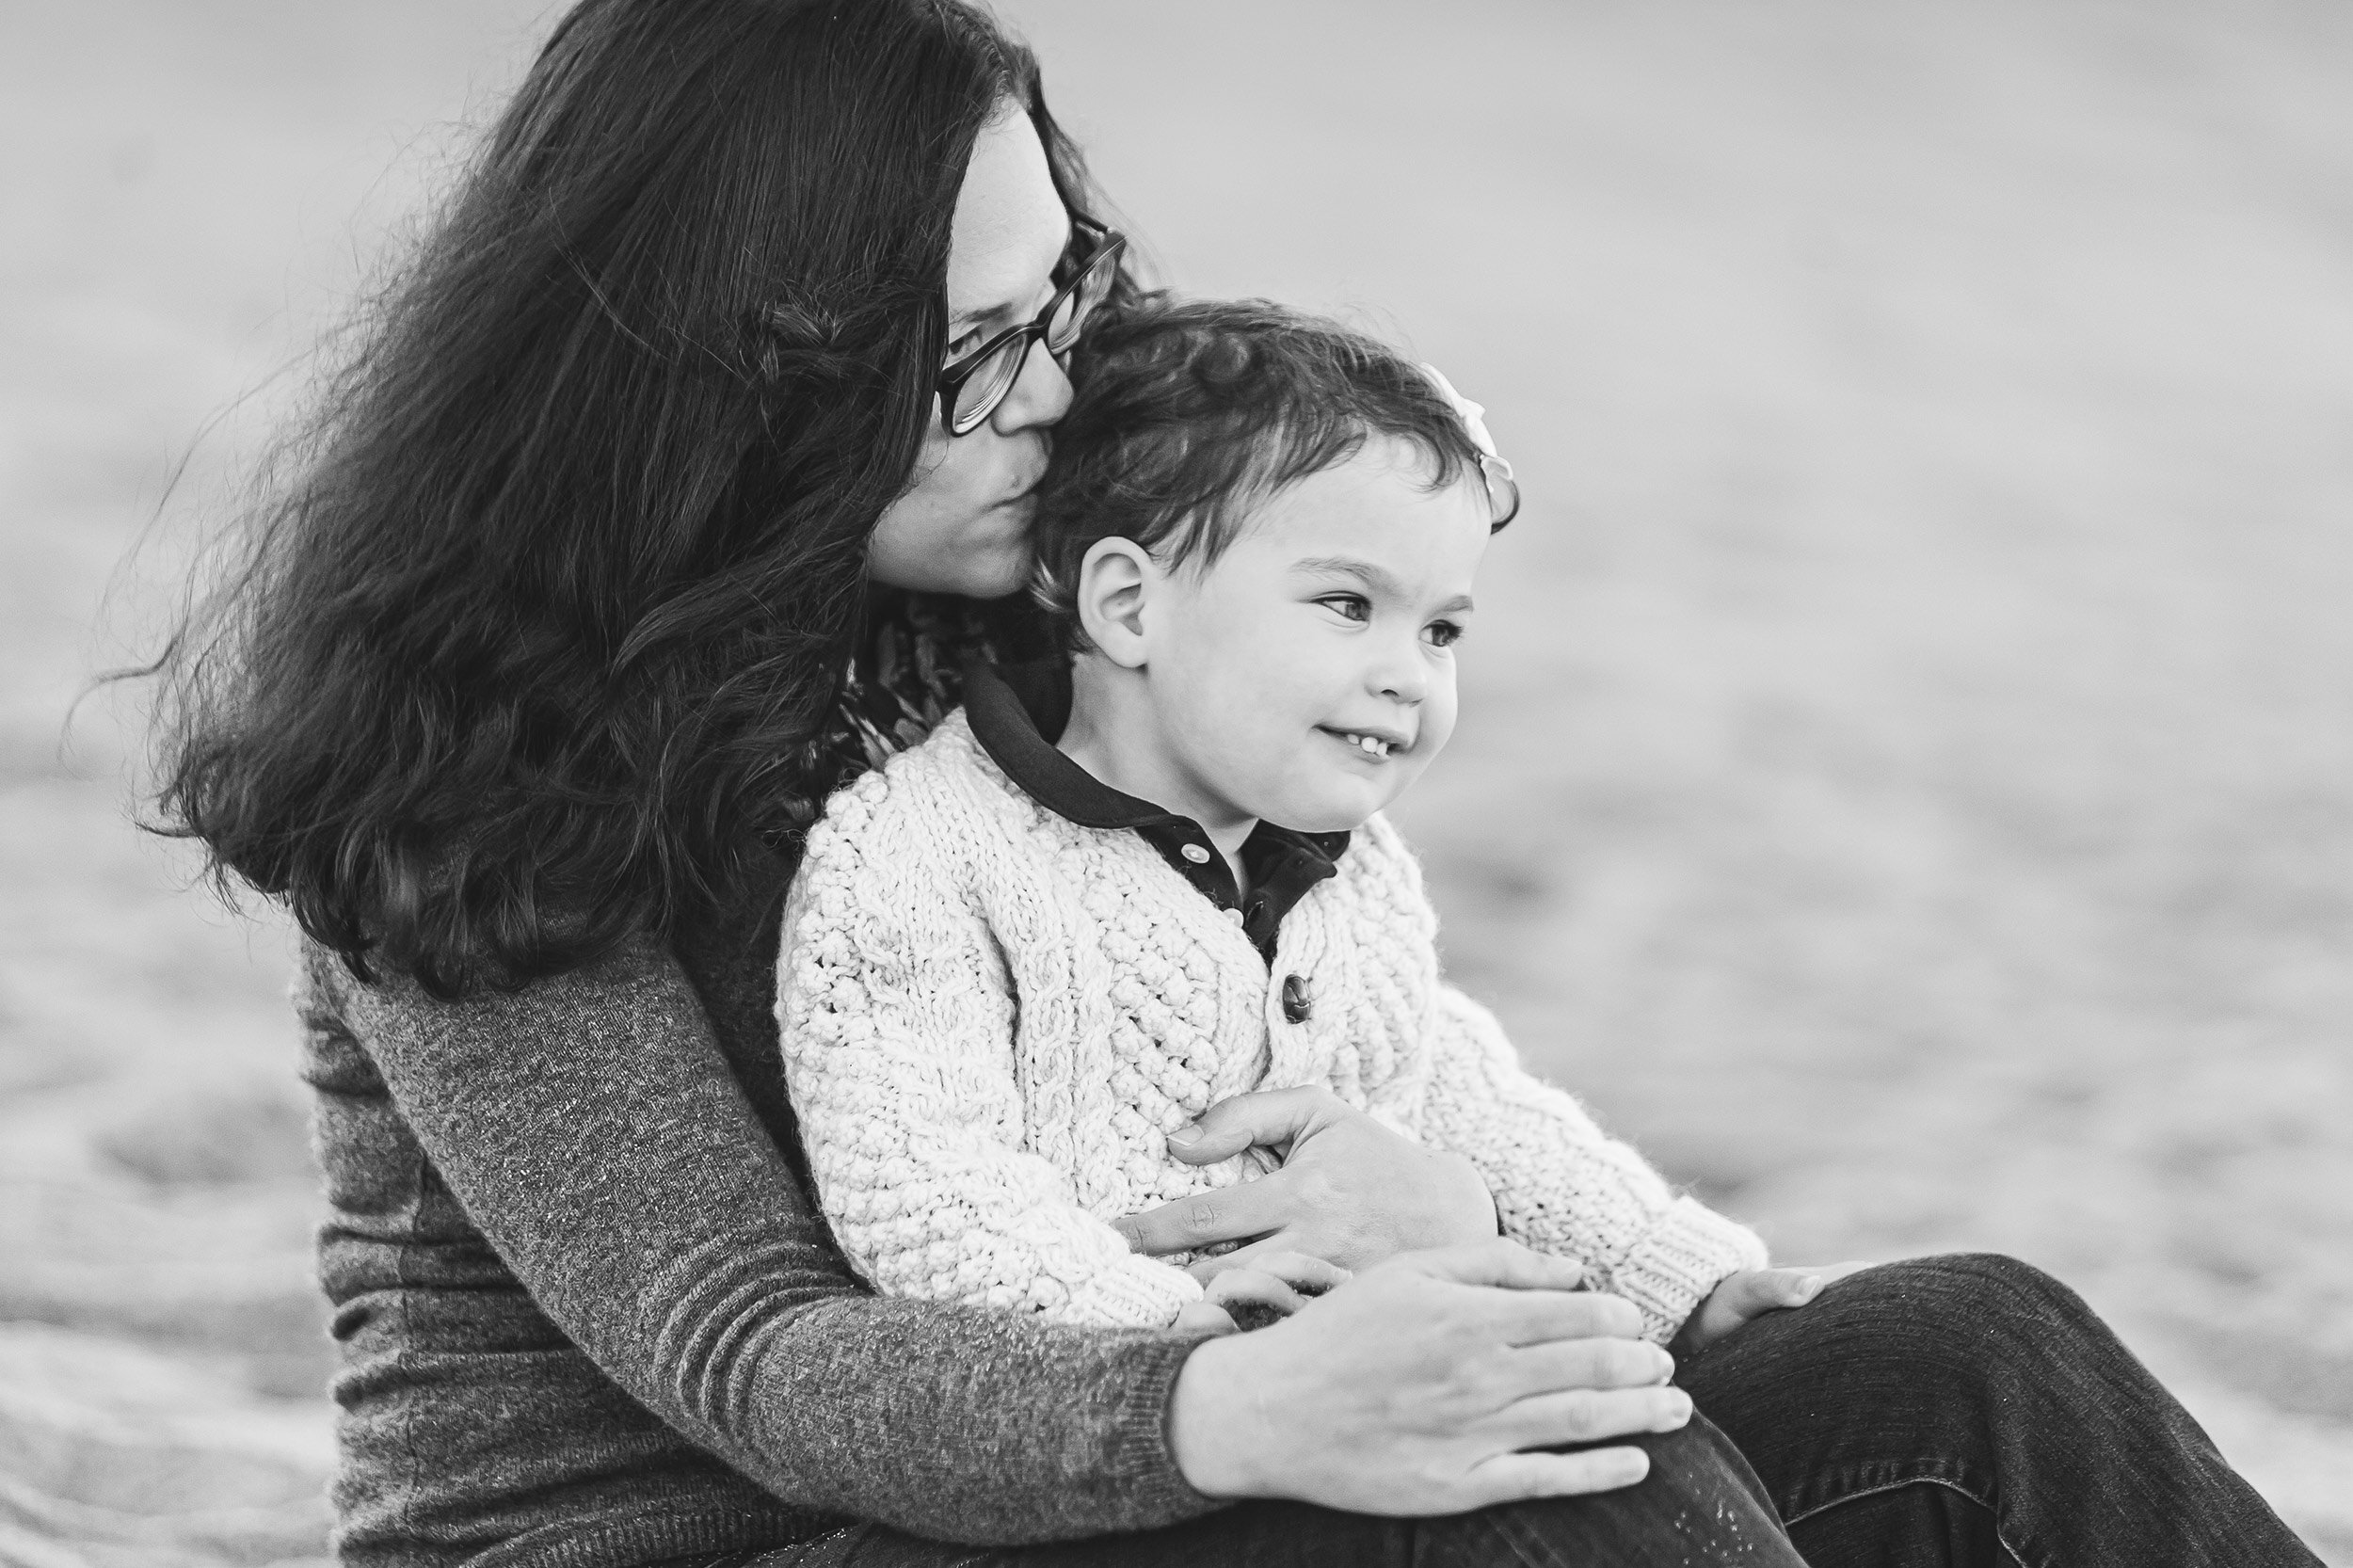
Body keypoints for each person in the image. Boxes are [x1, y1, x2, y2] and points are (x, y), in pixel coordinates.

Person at [145, 1, 2323, 1565]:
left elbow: (1332, 1030)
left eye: (1071, 281)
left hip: (1122, 1438)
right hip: (736, 1528)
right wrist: (1236, 1395)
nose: (1069, 377)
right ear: (761, 375)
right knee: (1536, 1481)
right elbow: (754, 1349)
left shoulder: (1008, 639)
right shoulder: (454, 779)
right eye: (982, 348)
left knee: (1966, 1359)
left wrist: (1449, 1236)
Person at [776, 296, 1777, 1347]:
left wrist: (1681, 1280)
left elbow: (1461, 1095)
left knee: (1938, 1327)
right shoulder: (918, 855)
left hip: (1378, 1370)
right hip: (1145, 1424)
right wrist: (1185, 1336)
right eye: (1350, 605)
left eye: (1440, 629)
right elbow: (923, 1191)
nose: (1407, 677)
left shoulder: (1345, 869)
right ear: (1128, 606)